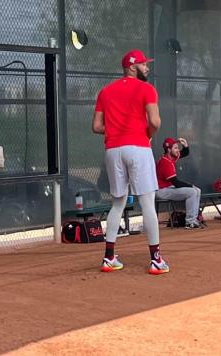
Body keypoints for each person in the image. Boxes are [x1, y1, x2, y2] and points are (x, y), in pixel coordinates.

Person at [92, 49, 169, 275]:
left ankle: (108, 258)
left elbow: (96, 127)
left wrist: (116, 129)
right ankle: (156, 260)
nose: (147, 68)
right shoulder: (146, 88)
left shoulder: (105, 92)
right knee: (147, 203)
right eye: (144, 64)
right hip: (138, 147)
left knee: (118, 203)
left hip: (113, 150)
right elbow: (155, 120)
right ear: (132, 67)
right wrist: (148, 132)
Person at [156, 137, 203, 229]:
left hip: (168, 188)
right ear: (169, 149)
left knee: (198, 190)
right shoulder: (165, 162)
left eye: (178, 147)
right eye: (175, 148)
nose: (178, 150)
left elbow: (185, 153)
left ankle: (194, 219)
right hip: (161, 191)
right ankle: (190, 222)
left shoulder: (170, 157)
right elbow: (176, 183)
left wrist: (185, 145)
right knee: (192, 191)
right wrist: (191, 186)